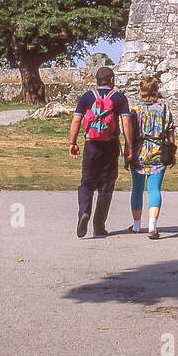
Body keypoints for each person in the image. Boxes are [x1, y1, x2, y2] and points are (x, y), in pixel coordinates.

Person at [69, 66, 133, 238]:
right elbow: (126, 123)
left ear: (96, 80)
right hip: (110, 145)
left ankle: (84, 211)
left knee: (86, 183)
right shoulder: (119, 98)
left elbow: (76, 121)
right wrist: (129, 146)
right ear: (112, 80)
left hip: (91, 145)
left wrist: (72, 143)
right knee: (106, 186)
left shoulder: (87, 97)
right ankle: (99, 226)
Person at [128, 75, 175, 239]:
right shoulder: (163, 109)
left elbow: (130, 134)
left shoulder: (135, 111)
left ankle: (136, 225)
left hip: (139, 152)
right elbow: (170, 131)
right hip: (158, 152)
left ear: (141, 91)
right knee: (154, 189)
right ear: (156, 91)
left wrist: (128, 152)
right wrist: (172, 151)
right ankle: (152, 226)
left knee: (137, 189)